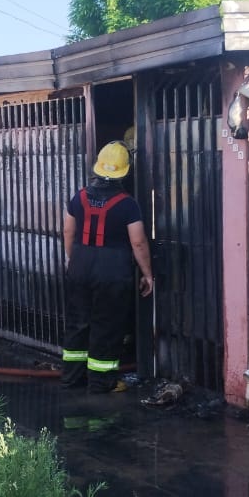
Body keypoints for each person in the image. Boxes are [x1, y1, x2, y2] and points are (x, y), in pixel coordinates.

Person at [61, 141, 154, 393]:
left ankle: (72, 377)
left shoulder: (78, 197)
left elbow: (68, 231)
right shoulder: (127, 204)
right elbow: (138, 241)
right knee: (106, 325)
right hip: (112, 272)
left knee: (78, 322)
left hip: (79, 266)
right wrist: (147, 273)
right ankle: (101, 383)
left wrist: (76, 260)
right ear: (125, 172)